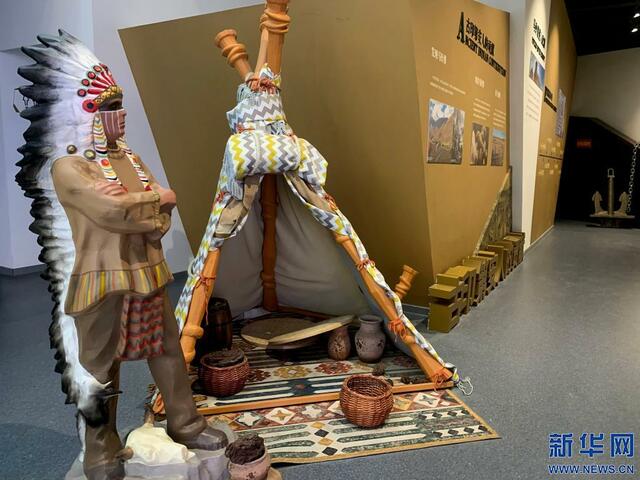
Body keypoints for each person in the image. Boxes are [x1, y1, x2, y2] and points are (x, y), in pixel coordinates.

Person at [17, 30, 226, 480]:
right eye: (108, 106)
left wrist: (147, 206)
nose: (119, 115)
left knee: (167, 349)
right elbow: (115, 210)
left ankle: (186, 423)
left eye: (119, 104)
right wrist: (152, 201)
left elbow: (158, 212)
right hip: (102, 278)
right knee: (99, 365)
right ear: (85, 111)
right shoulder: (68, 167)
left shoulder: (126, 157)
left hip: (148, 270)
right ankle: (100, 451)